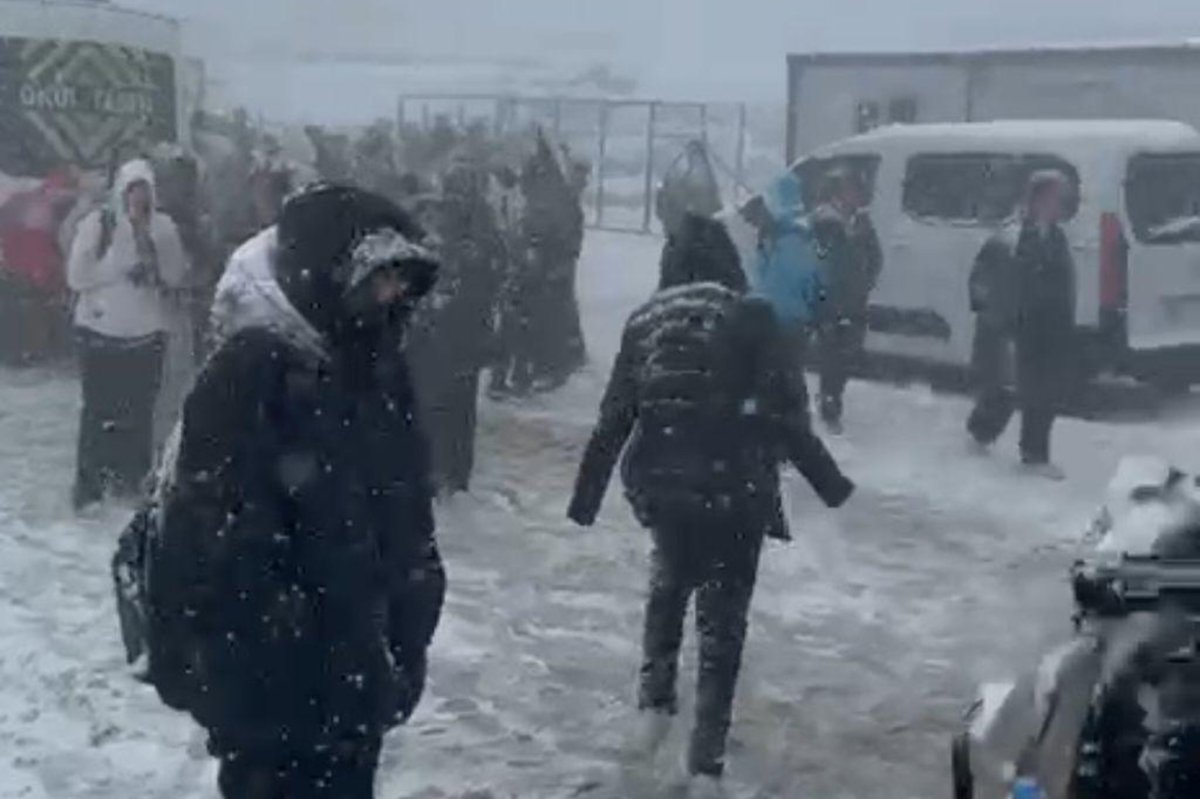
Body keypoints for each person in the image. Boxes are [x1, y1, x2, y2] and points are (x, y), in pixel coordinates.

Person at [143, 184, 445, 799]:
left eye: (401, 281)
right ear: (323, 275)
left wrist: (405, 637)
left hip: (357, 687)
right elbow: (206, 545)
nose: (393, 296)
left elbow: (409, 513)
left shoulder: (380, 368)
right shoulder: (252, 371)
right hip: (275, 704)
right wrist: (262, 673)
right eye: (378, 278)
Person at [567, 213, 855, 794]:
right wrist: (829, 482)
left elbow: (615, 417)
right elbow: (785, 414)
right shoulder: (752, 315)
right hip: (734, 488)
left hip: (665, 485)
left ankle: (655, 702)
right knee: (723, 624)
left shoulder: (645, 320)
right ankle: (704, 763)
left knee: (669, 583)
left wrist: (585, 498)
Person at [67, 158, 189, 510]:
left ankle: (131, 481)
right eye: (132, 190)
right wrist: (119, 267)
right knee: (97, 411)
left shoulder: (163, 227)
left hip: (147, 334)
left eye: (144, 190)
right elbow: (77, 276)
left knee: (139, 413)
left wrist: (155, 257)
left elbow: (175, 276)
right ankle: (90, 487)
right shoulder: (99, 224)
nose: (139, 198)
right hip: (99, 332)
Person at [966, 170, 1076, 478]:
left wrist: (1064, 322)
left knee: (1043, 392)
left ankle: (1035, 454)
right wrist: (995, 320)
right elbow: (981, 280)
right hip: (1013, 327)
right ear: (1037, 199)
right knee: (1005, 389)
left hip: (1046, 328)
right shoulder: (1010, 237)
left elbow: (1063, 283)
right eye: (1054, 198)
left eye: (1061, 200)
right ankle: (980, 433)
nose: (1059, 206)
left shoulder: (1056, 237)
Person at [409, 159, 502, 494]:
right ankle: (452, 473)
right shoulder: (480, 225)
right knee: (456, 409)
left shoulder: (469, 230)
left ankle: (443, 473)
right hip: (459, 335)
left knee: (441, 406)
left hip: (450, 334)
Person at [810, 170, 882, 432]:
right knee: (833, 354)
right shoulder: (825, 221)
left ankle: (831, 396)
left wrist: (865, 280)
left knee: (848, 354)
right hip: (831, 299)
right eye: (852, 190)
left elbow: (875, 256)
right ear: (838, 192)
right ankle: (830, 404)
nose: (857, 196)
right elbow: (820, 260)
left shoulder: (861, 222)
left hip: (854, 298)